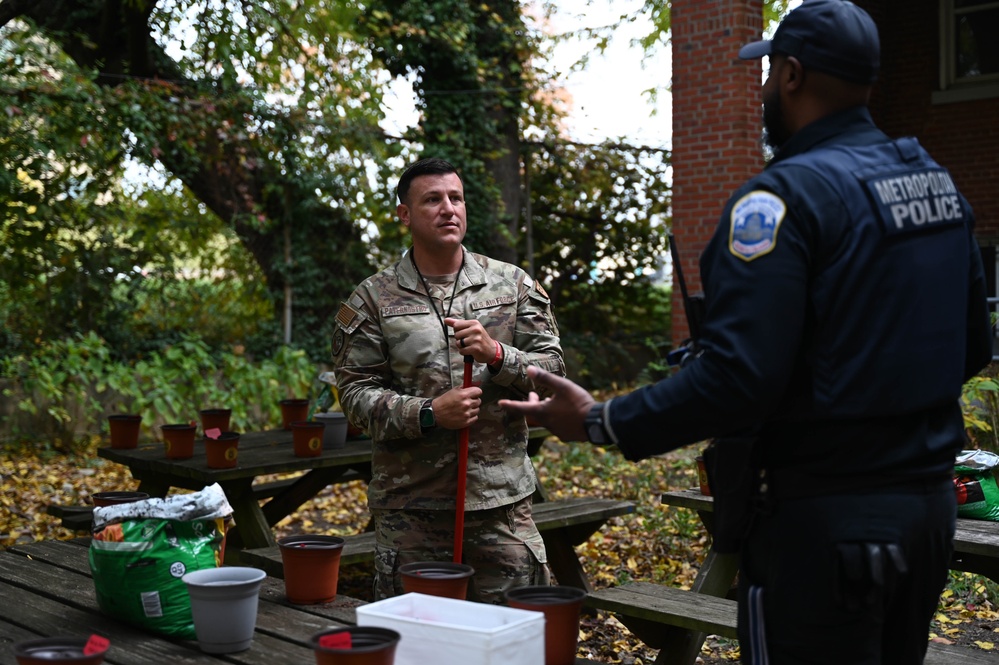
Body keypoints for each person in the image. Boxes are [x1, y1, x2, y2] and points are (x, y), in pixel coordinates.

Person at [500, 1, 993, 662]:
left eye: (766, 75)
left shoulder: (783, 199)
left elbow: (736, 377)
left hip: (823, 532)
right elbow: (973, 345)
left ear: (790, 75)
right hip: (928, 517)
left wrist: (599, 419)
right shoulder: (935, 186)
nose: (761, 91)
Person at [331, 157, 566, 604]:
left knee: (513, 639)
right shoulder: (372, 299)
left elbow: (553, 375)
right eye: (432, 200)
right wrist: (428, 413)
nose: (448, 209)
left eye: (455, 198)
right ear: (404, 214)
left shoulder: (511, 285)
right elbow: (355, 397)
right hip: (412, 511)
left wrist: (498, 356)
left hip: (501, 506)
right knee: (421, 643)